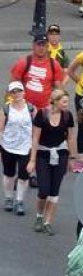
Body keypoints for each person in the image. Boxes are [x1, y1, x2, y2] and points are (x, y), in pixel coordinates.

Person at [28, 89, 77, 236]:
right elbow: (35, 138)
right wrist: (32, 160)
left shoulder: (67, 116)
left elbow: (70, 138)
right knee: (44, 189)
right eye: (64, 102)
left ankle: (48, 222)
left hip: (60, 154)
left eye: (67, 102)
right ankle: (39, 216)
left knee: (54, 192)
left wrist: (72, 158)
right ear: (55, 101)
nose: (67, 105)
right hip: (43, 154)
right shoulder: (41, 115)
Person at [1, 81, 34, 216]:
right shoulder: (5, 109)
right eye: (13, 91)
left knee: (23, 176)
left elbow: (36, 128)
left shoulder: (31, 109)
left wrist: (34, 146)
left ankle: (19, 201)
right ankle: (9, 198)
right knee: (9, 174)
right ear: (10, 94)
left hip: (26, 147)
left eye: (19, 91)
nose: (17, 94)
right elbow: (1, 129)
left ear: (24, 92)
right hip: (8, 146)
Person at [11, 33, 66, 111]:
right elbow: (12, 86)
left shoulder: (54, 65)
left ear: (47, 47)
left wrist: (58, 108)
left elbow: (59, 90)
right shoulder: (23, 62)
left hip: (45, 110)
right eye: (38, 45)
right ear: (33, 46)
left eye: (43, 45)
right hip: (25, 109)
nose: (41, 48)